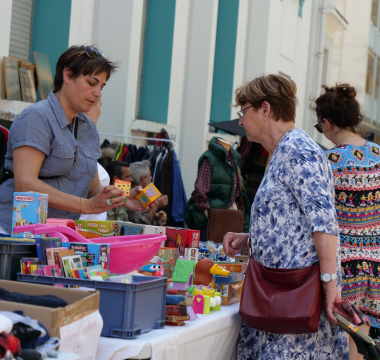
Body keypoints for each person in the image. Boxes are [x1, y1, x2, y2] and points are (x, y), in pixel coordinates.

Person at [223, 74, 348, 359]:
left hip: (295, 303)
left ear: (265, 110)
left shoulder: (298, 150)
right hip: (278, 297)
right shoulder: (281, 151)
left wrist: (330, 284)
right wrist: (248, 239)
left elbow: (323, 222)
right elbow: (290, 220)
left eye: (244, 111)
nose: (241, 121)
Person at [0, 45, 149, 236]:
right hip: (17, 233)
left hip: (57, 235)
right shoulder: (37, 117)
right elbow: (25, 184)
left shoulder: (87, 127)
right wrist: (86, 206)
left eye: (102, 87)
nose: (98, 94)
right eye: (91, 83)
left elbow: (93, 187)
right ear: (68, 76)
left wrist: (121, 197)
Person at [311, 83, 380, 360]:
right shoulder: (378, 156)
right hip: (374, 268)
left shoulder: (325, 162)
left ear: (327, 124)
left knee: (337, 347)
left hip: (340, 270)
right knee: (362, 343)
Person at [186, 136, 251, 241]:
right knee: (208, 255)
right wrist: (210, 217)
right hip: (210, 224)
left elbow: (241, 197)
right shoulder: (209, 158)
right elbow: (200, 193)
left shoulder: (233, 161)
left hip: (230, 222)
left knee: (227, 255)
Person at [79, 99, 109, 221]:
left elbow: (93, 188)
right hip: (76, 231)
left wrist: (124, 198)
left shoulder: (88, 143)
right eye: (99, 106)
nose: (100, 112)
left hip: (92, 232)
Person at [128, 160, 168, 226]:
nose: (151, 178)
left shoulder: (146, 192)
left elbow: (144, 215)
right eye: (150, 175)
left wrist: (156, 216)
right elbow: (139, 224)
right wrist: (156, 206)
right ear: (143, 179)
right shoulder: (132, 195)